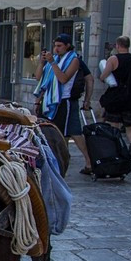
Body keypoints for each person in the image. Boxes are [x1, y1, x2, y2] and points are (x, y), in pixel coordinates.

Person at [36, 34, 90, 173]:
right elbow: (39, 78)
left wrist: (52, 63)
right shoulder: (55, 60)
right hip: (50, 100)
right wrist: (42, 63)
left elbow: (63, 79)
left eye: (60, 46)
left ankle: (90, 162)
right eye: (55, 46)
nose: (56, 49)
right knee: (59, 133)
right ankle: (62, 159)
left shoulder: (74, 60)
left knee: (74, 133)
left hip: (65, 100)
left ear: (67, 46)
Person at [99, 36, 131, 160]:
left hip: (116, 96)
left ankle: (117, 146)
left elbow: (104, 76)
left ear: (118, 45)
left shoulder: (113, 59)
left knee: (114, 123)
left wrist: (104, 76)